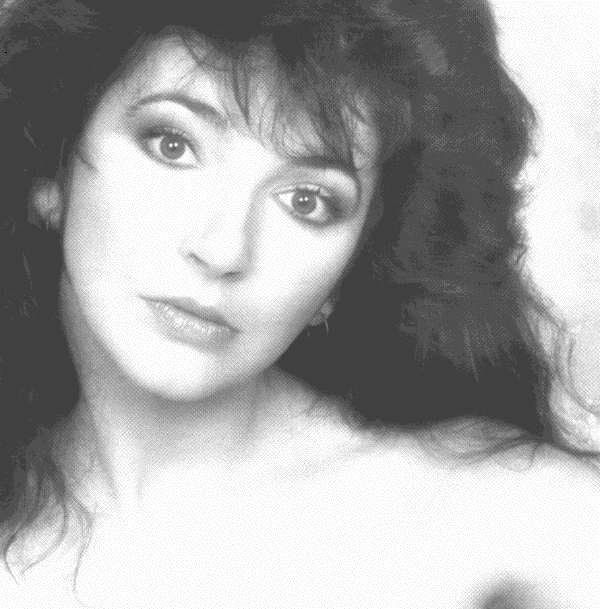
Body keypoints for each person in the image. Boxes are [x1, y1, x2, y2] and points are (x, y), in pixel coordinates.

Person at [0, 0, 598, 607]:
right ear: (50, 167)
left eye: (306, 202)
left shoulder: (514, 528)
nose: (223, 250)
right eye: (173, 145)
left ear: (348, 270)